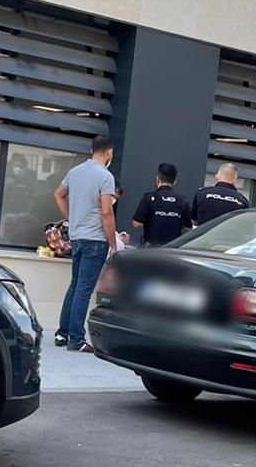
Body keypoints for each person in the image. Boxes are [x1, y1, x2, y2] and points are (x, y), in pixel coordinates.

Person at [53, 134, 117, 352]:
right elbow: (107, 213)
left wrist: (71, 217)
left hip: (78, 236)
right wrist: (114, 244)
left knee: (74, 285)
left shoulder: (75, 171)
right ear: (109, 152)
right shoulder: (105, 176)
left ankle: (62, 333)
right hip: (96, 239)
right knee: (84, 289)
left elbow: (58, 194)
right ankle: (76, 339)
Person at [132, 163, 192, 246]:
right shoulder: (183, 201)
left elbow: (136, 223)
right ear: (174, 182)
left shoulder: (149, 198)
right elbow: (188, 227)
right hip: (172, 248)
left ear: (157, 179)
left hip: (151, 247)